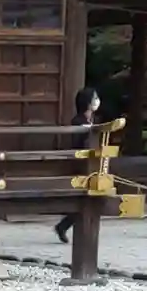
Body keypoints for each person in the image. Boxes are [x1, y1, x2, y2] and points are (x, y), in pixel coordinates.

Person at [55, 86, 101, 243]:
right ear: (87, 102)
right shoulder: (78, 121)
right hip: (81, 161)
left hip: (94, 161)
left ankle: (66, 226)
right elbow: (76, 143)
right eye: (94, 98)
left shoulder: (95, 120)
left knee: (90, 197)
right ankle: (65, 226)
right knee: (83, 198)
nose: (97, 101)